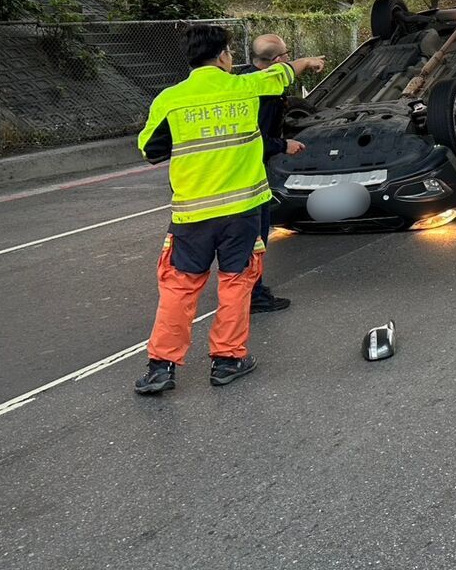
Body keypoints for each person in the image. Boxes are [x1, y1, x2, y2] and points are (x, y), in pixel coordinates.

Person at [133, 24, 324, 394]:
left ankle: (161, 368)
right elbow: (284, 72)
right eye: (231, 54)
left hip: (192, 215)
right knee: (236, 284)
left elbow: (150, 149)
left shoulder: (170, 99)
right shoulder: (246, 87)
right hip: (243, 212)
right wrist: (306, 62)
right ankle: (227, 360)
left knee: (179, 289)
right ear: (222, 56)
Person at [234, 32, 307, 313]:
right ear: (277, 61)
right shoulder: (264, 93)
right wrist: (282, 145)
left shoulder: (243, 81)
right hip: (248, 179)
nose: (289, 58)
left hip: (222, 182)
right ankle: (252, 295)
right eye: (287, 54)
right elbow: (255, 139)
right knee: (254, 238)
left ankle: (248, 290)